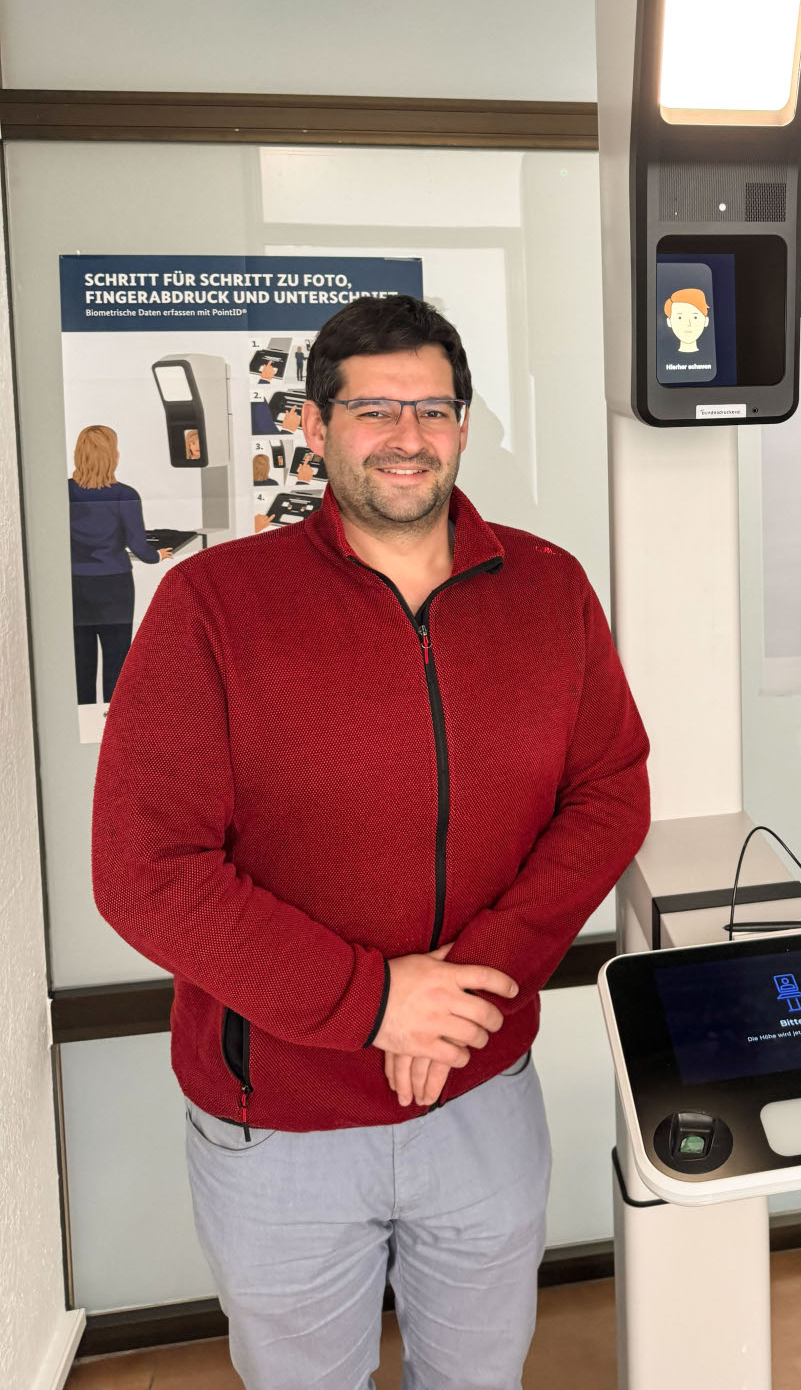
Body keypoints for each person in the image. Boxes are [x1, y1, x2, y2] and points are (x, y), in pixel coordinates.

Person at [93, 294, 650, 1390]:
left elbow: (608, 791)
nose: (407, 437)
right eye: (374, 409)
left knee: (481, 1378)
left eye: (433, 408)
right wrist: (374, 1001)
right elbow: (146, 872)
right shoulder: (214, 605)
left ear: (463, 422)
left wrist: (465, 992)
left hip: (484, 1096)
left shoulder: (548, 588)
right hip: (279, 1121)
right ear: (313, 425)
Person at [69, 424, 172, 705]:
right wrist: (157, 555)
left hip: (75, 585)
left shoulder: (64, 492)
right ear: (112, 456)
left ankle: (86, 719)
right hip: (114, 586)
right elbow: (139, 546)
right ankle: (111, 723)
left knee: (81, 661)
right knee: (117, 660)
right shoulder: (124, 495)